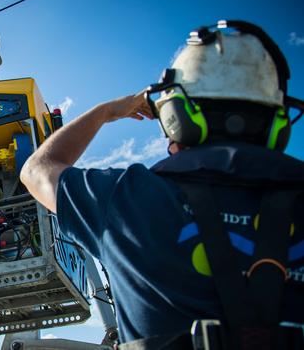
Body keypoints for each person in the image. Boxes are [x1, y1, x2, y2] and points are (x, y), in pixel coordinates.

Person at [20, 20, 304, 349]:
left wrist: (106, 111)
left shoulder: (125, 199)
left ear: (178, 118)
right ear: (278, 124)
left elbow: (37, 170)